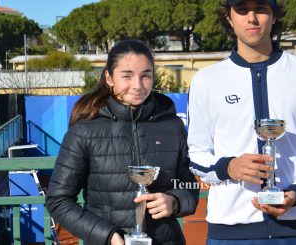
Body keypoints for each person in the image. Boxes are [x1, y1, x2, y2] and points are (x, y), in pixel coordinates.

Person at [187, 0, 296, 244]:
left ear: (273, 16)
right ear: (229, 18)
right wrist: (228, 167)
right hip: (230, 234)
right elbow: (195, 154)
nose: (252, 17)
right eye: (241, 10)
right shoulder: (206, 81)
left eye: (261, 9)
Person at [46, 39, 199, 245]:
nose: (137, 86)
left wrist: (175, 201)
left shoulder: (172, 125)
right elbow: (58, 200)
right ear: (109, 78)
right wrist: (108, 236)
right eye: (127, 76)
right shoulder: (84, 131)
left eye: (146, 76)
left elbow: (188, 184)